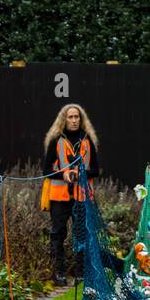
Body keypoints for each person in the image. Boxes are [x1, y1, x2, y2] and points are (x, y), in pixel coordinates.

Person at [42, 103, 100, 284]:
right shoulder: (56, 140)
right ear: (64, 119)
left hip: (82, 196)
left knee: (81, 233)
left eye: (77, 117)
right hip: (59, 197)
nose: (74, 120)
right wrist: (64, 174)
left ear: (81, 120)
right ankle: (59, 273)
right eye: (70, 117)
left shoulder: (88, 140)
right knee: (58, 233)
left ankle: (80, 273)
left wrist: (81, 174)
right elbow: (46, 170)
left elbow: (96, 170)